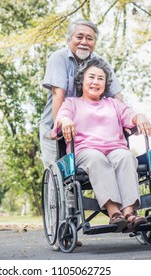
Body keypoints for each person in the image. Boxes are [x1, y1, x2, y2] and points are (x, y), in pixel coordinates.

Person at [51, 57, 151, 232]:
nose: (95, 82)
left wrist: (140, 116)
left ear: (105, 84)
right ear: (82, 81)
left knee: (126, 156)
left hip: (115, 149)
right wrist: (65, 120)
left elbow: (131, 116)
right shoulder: (71, 103)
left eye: (100, 78)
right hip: (85, 151)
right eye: (91, 77)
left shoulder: (113, 104)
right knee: (96, 158)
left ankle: (129, 213)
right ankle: (114, 213)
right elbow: (61, 117)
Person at [39, 18, 123, 167]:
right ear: (69, 39)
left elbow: (116, 96)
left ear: (95, 43)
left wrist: (123, 124)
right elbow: (59, 94)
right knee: (58, 174)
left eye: (89, 38)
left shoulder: (100, 62)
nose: (84, 42)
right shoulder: (58, 58)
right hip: (56, 125)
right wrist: (60, 128)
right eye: (79, 37)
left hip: (87, 133)